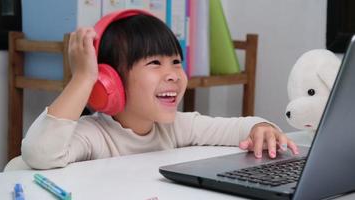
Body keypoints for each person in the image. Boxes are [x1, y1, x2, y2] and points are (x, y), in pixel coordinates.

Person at [21, 11, 298, 170]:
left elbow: (239, 127)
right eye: (155, 63)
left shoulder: (178, 126)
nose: (173, 75)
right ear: (110, 80)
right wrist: (83, 78)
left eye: (176, 62)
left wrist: (262, 127)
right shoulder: (94, 134)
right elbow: (40, 154)